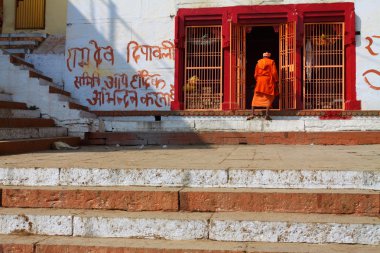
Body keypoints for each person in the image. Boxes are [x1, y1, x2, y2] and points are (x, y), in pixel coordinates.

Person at [247, 51, 279, 121]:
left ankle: (252, 114)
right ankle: (267, 115)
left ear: (263, 56)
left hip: (260, 81)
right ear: (269, 57)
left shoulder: (258, 62)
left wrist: (258, 80)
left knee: (256, 96)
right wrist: (276, 80)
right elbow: (274, 72)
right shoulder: (271, 62)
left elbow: (255, 74)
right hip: (268, 81)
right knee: (268, 97)